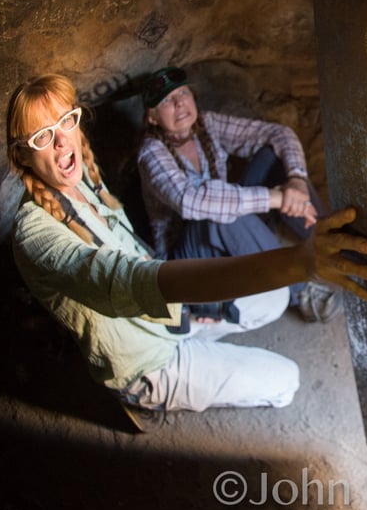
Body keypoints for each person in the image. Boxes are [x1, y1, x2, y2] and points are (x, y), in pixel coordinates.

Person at [6, 73, 367, 430]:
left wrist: (294, 179)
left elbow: (275, 135)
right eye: (41, 137)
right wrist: (298, 259)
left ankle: (235, 307)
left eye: (66, 121)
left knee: (276, 298)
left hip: (170, 316)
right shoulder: (34, 232)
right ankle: (145, 395)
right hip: (148, 358)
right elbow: (126, 278)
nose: (59, 142)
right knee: (288, 380)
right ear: (21, 156)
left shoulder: (82, 178)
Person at [137, 66, 337, 325]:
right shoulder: (150, 152)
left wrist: (296, 181)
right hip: (188, 256)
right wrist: (275, 198)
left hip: (225, 227)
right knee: (221, 210)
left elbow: (278, 134)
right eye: (166, 101)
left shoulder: (206, 124)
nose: (179, 103)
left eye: (183, 93)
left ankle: (331, 241)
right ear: (152, 118)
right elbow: (192, 201)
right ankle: (303, 292)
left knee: (271, 157)